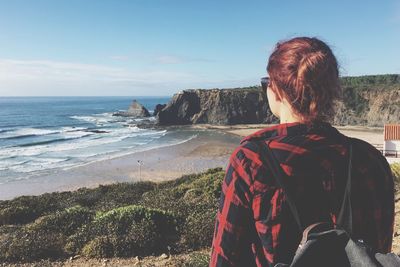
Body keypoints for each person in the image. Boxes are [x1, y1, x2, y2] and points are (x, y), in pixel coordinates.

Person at [209, 37, 394, 267]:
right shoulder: (370, 160)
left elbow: (223, 259)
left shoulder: (252, 160)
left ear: (276, 91)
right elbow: (379, 251)